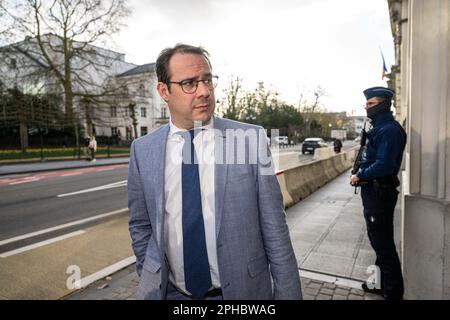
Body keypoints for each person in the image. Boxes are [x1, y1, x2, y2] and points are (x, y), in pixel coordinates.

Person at [128, 44, 302, 300]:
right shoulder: (142, 150)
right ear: (164, 91)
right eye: (190, 83)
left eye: (207, 80)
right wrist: (150, 270)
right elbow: (141, 225)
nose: (205, 91)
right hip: (172, 293)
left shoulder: (250, 139)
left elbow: (275, 228)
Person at [350, 86, 406, 300]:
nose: (367, 107)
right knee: (379, 241)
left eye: (371, 103)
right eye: (366, 103)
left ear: (383, 104)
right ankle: (379, 284)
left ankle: (393, 293)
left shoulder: (389, 130)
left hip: (379, 190)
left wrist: (360, 174)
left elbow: (384, 164)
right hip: (374, 190)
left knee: (383, 245)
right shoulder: (377, 127)